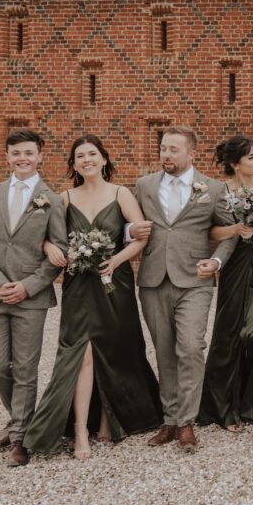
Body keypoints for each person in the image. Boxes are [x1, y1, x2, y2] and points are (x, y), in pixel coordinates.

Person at [25, 135, 162, 458]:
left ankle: (107, 419)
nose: (86, 159)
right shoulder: (64, 199)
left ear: (103, 159)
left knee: (111, 349)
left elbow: (141, 234)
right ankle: (79, 430)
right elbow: (46, 236)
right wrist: (50, 248)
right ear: (73, 165)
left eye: (92, 153)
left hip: (115, 281)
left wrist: (116, 259)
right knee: (81, 352)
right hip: (79, 284)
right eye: (79, 156)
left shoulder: (121, 193)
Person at [129, 126, 239, 452]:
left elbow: (229, 233)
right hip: (153, 279)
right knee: (165, 351)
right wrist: (129, 229)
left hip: (196, 279)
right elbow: (129, 223)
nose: (166, 154)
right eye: (164, 148)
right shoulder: (144, 185)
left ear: (192, 154)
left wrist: (216, 263)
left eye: (174, 149)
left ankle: (187, 422)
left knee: (190, 347)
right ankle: (170, 419)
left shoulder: (213, 188)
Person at [0, 129, 67, 467]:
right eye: (16, 153)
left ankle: (21, 438)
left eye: (28, 153)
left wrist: (28, 285)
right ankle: (19, 418)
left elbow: (59, 251)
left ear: (40, 156)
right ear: (7, 156)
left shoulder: (51, 199)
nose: (22, 159)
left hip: (31, 298)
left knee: (26, 369)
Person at [199, 135, 253, 432]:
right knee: (228, 335)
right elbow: (211, 232)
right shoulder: (220, 192)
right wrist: (234, 229)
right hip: (234, 266)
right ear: (235, 164)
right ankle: (225, 409)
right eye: (251, 157)